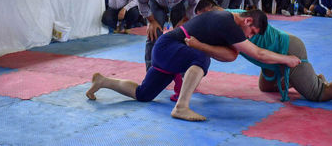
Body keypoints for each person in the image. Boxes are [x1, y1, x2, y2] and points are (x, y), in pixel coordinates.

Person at [86, 9, 301, 121]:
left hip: (167, 50)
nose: (250, 37)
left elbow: (231, 55)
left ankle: (103, 80)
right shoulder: (230, 24)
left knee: (144, 94)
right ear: (247, 21)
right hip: (169, 47)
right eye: (252, 32)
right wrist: (287, 59)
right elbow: (259, 54)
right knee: (201, 57)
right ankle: (181, 107)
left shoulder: (227, 19)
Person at [196, 0, 332, 103]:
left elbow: (238, 55)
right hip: (270, 57)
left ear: (214, 10)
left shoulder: (233, 22)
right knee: (265, 87)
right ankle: (307, 78)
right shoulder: (222, 19)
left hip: (288, 49)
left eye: (205, 17)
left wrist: (198, 45)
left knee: (318, 94)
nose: (204, 21)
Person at [137, 0, 201, 71]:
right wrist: (151, 21)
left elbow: (196, 3)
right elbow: (141, 1)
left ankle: (184, 72)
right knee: (153, 34)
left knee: (183, 35)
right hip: (156, 3)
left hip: (181, 4)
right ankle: (151, 71)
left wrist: (185, 20)